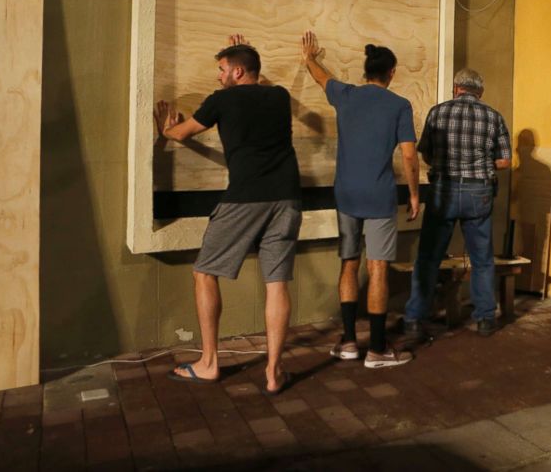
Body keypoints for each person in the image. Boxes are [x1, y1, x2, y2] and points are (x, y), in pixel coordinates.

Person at [154, 35, 301, 395]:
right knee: (277, 282)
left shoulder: (221, 101)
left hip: (245, 198)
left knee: (204, 273)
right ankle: (273, 372)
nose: (218, 76)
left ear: (236, 72)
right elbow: (258, 83)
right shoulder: (280, 96)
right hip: (288, 197)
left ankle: (208, 364)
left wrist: (166, 127)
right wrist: (247, 52)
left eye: (222, 70)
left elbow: (180, 134)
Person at [300, 30, 420, 368]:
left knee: (349, 263)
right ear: (391, 73)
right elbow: (409, 156)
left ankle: (350, 342)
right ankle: (378, 349)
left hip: (346, 194)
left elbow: (322, 78)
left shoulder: (346, 95)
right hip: (379, 195)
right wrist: (413, 194)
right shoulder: (399, 105)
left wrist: (309, 58)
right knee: (377, 266)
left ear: (366, 71)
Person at [404, 69, 511, 337]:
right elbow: (505, 161)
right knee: (482, 258)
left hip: (443, 190)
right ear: (480, 92)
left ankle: (415, 318)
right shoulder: (493, 116)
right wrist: (482, 164)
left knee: (429, 257)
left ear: (456, 88)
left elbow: (425, 153)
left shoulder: (437, 113)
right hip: (479, 193)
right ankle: (485, 318)